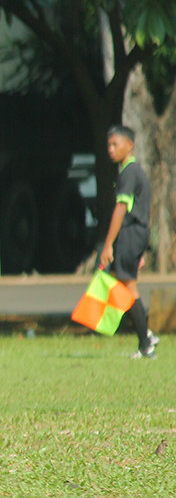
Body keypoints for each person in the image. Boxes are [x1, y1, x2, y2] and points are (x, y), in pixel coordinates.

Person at [99, 125, 159, 359]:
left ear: (130, 145)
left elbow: (121, 208)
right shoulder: (133, 172)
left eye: (115, 144)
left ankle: (146, 344)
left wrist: (108, 244)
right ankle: (147, 336)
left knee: (128, 287)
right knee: (126, 285)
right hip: (137, 234)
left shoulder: (129, 173)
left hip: (131, 233)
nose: (111, 149)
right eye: (109, 145)